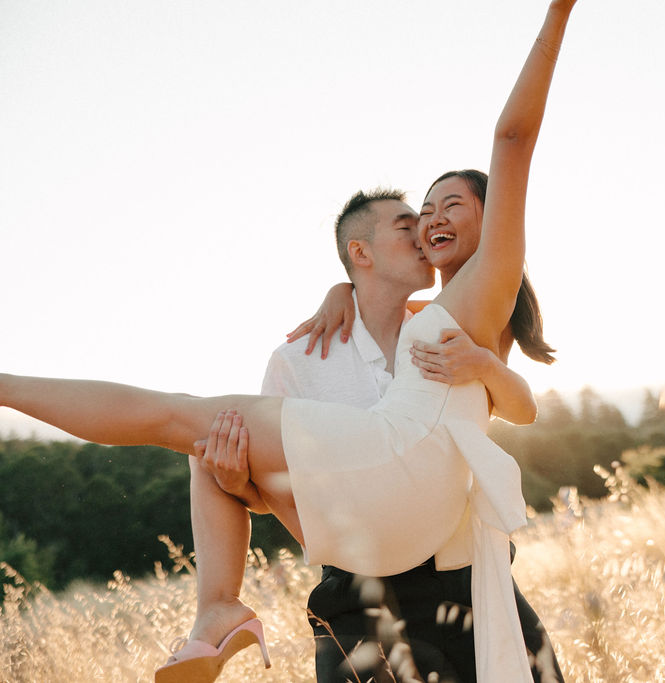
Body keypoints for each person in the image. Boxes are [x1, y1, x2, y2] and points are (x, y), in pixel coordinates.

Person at [0, 1, 577, 681]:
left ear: (493, 220)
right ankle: (217, 607)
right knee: (205, 441)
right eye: (423, 212)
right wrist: (344, 294)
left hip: (405, 478)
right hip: (382, 527)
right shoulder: (426, 310)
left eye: (453, 205)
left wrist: (559, 11)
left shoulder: (489, 289)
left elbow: (513, 138)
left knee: (179, 416)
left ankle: (216, 604)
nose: (431, 220)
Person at [197, 185, 562, 681]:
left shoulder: (444, 330)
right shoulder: (297, 363)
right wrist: (238, 485)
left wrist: (480, 363)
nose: (421, 235)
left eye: (424, 224)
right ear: (360, 252)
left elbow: (522, 406)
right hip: (357, 598)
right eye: (406, 226)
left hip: (466, 579)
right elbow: (281, 490)